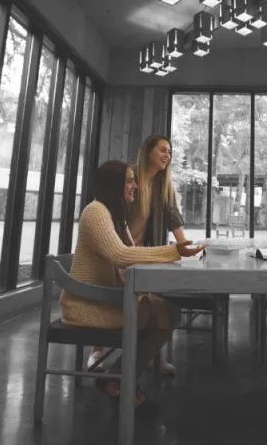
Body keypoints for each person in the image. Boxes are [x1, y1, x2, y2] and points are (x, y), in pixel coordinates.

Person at [61, 160, 204, 407]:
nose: (135, 185)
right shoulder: (95, 212)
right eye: (129, 180)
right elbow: (121, 256)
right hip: (86, 305)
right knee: (162, 313)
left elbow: (129, 254)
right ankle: (119, 380)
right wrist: (173, 252)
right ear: (114, 185)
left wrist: (173, 254)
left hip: (104, 299)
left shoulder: (115, 217)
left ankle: (118, 378)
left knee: (168, 311)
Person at [87, 134, 187, 376]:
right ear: (148, 151)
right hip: (117, 248)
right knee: (107, 291)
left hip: (143, 251)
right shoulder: (128, 176)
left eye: (170, 152)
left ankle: (150, 355)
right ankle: (97, 352)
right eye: (163, 150)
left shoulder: (164, 184)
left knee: (153, 302)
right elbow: (105, 210)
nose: (167, 156)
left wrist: (184, 246)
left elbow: (173, 217)